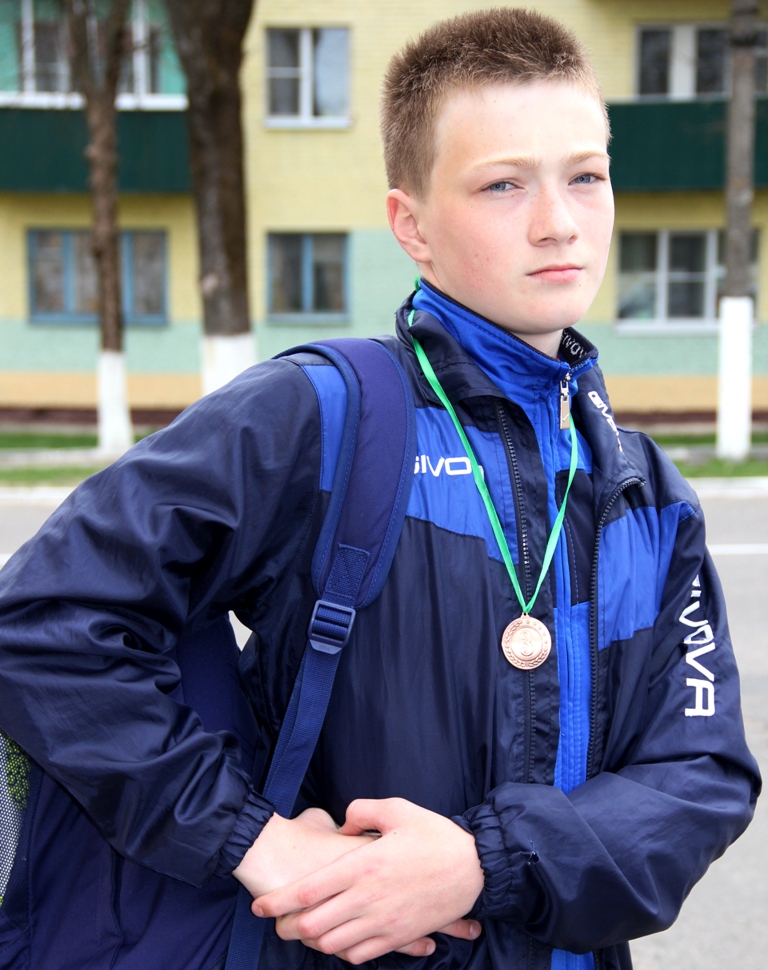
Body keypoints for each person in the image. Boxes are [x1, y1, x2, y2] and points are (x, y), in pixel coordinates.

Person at [0, 8, 760, 970]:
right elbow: (43, 621)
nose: (558, 222)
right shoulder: (320, 416)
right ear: (412, 225)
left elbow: (699, 776)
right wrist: (251, 839)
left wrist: (484, 865)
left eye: (586, 176)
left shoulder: (647, 492)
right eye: (502, 184)